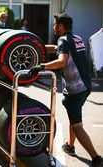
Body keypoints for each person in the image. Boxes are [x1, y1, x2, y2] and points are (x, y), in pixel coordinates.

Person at [29, 13, 103, 167]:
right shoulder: (76, 38)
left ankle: (96, 158)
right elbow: (57, 49)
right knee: (74, 116)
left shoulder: (63, 39)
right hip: (85, 85)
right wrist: (38, 46)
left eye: (55, 24)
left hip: (75, 89)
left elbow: (61, 61)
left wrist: (41, 67)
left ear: (61, 26)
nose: (54, 27)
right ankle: (70, 145)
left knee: (77, 125)